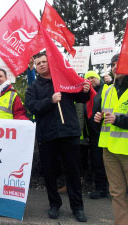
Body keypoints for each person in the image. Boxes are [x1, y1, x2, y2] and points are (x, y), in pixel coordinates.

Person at [25, 53, 90, 222]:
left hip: (69, 133)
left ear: (50, 62)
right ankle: (54, 204)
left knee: (73, 172)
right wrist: (50, 100)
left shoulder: (63, 79)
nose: (40, 65)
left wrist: (85, 90)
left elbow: (80, 97)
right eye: (38, 63)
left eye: (44, 61)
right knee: (50, 173)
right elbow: (32, 107)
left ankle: (78, 207)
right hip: (47, 135)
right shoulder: (33, 87)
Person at [94, 53, 128, 225]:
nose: (115, 67)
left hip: (126, 149)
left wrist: (119, 120)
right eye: (113, 64)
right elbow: (101, 118)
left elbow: (118, 118)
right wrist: (98, 118)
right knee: (116, 192)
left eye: (119, 64)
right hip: (109, 149)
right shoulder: (108, 89)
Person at [83, 71, 109, 199]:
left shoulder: (106, 89)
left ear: (98, 78)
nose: (90, 80)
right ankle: (101, 189)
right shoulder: (85, 94)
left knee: (111, 163)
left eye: (92, 77)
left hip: (107, 133)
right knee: (97, 162)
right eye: (87, 78)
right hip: (92, 136)